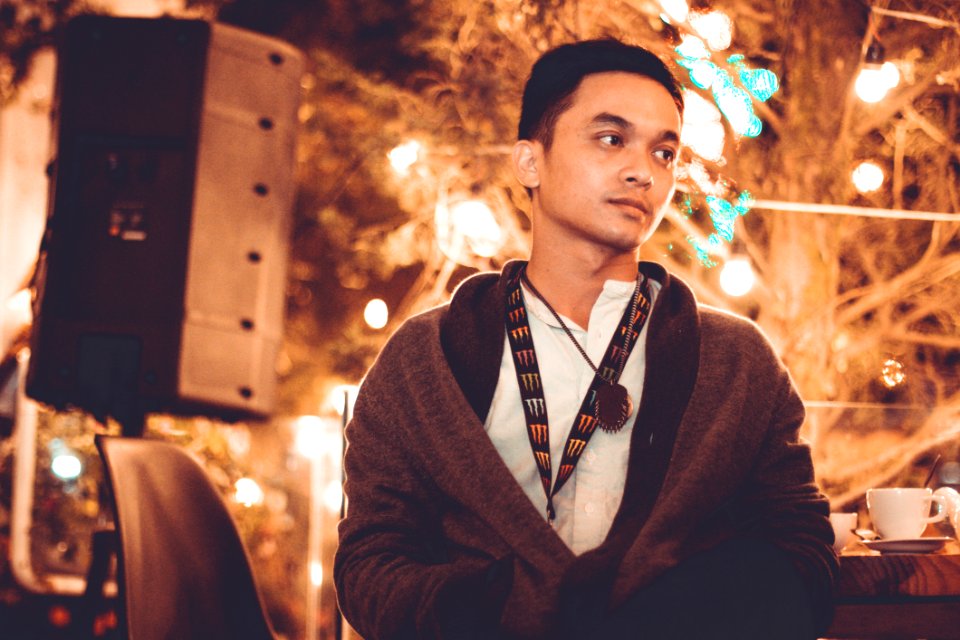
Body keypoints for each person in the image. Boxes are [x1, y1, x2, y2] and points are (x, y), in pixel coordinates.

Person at [334, 38, 838, 640]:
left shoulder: (736, 363)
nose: (641, 170)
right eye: (611, 138)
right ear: (530, 162)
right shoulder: (426, 359)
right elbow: (368, 563)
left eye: (665, 152)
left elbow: (802, 552)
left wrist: (665, 617)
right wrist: (495, 610)